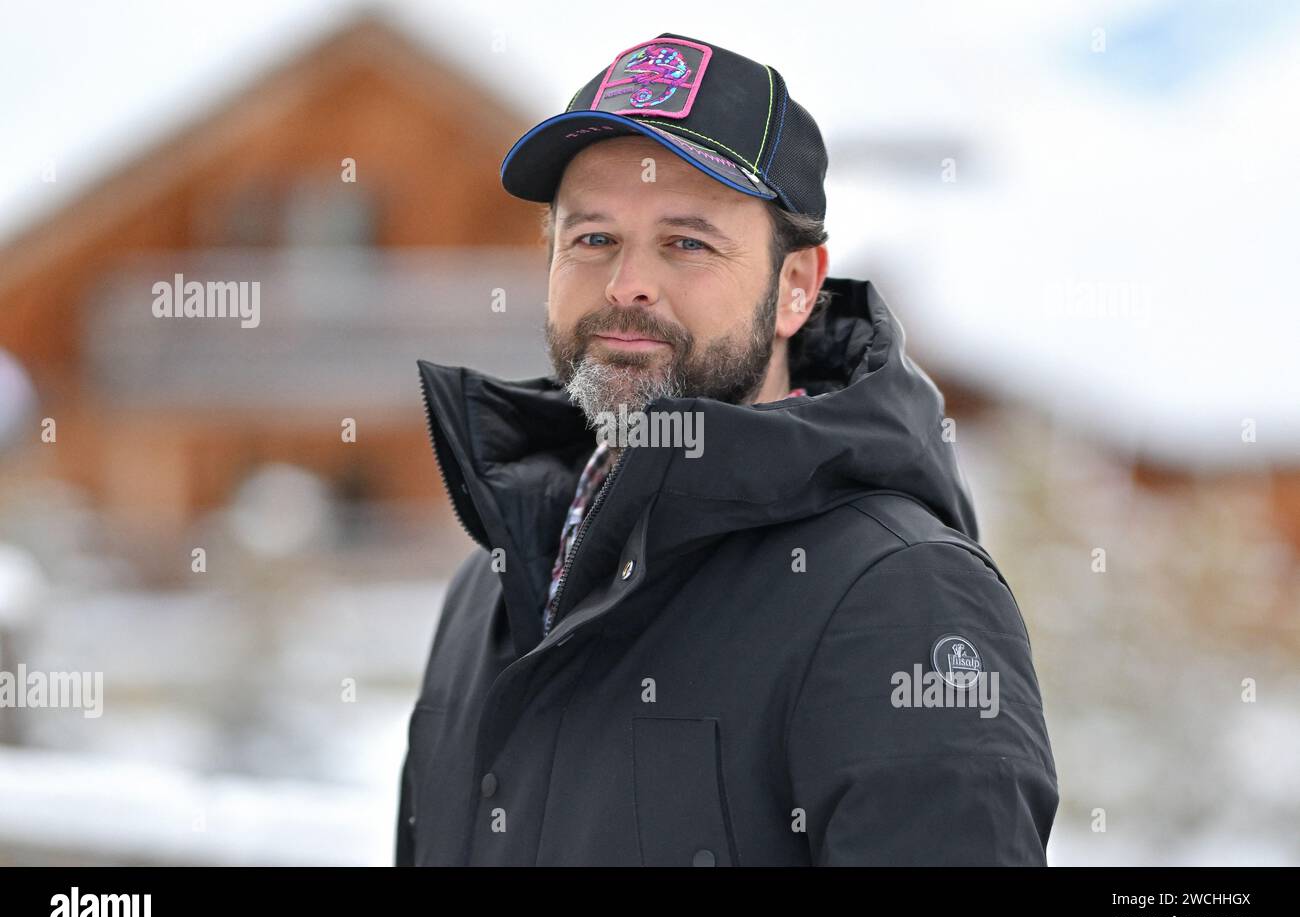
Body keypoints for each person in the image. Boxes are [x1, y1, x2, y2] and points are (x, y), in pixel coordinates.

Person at [397, 31, 1058, 866]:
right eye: (593, 237)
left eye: (687, 241)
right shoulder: (494, 580)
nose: (627, 282)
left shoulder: (900, 597)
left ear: (795, 288)